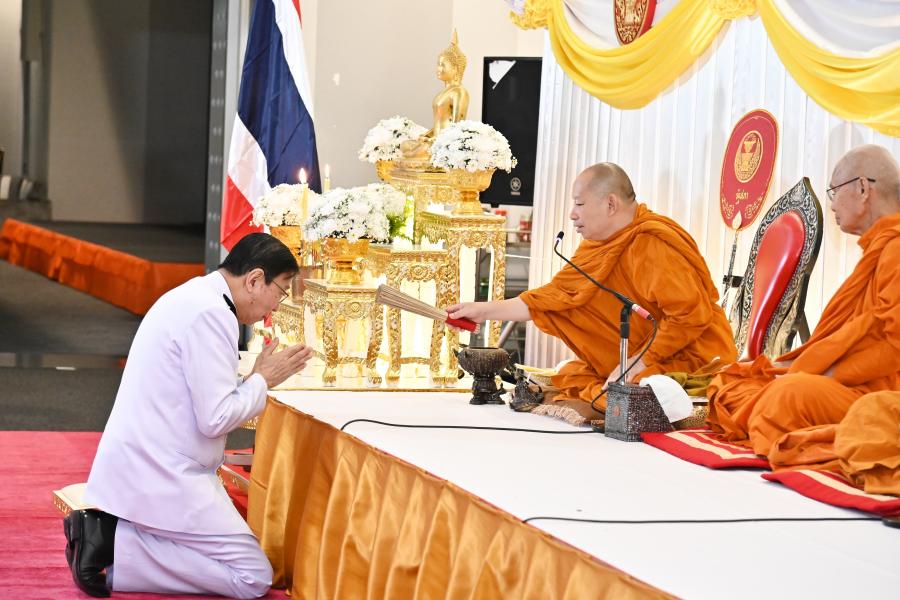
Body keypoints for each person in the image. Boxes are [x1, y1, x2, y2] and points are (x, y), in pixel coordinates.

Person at [64, 233, 313, 598]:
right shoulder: (212, 314)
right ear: (255, 280)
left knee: (220, 560)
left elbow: (201, 393)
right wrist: (262, 380)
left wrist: (253, 380)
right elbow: (215, 419)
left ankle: (106, 538)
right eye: (281, 291)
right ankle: (110, 541)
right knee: (253, 576)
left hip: (150, 459)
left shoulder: (198, 296)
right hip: (166, 470)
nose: (276, 306)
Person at [448, 162, 736, 413]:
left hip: (692, 359)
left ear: (610, 204)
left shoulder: (652, 243)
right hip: (641, 359)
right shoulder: (598, 245)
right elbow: (554, 298)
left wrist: (636, 362)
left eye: (580, 204)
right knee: (571, 377)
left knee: (621, 395)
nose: (572, 214)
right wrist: (483, 311)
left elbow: (690, 317)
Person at [706, 144, 900, 461]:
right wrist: (797, 367)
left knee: (786, 396)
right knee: (735, 379)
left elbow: (894, 350)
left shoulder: (895, 249)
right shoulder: (880, 249)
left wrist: (823, 374)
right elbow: (849, 338)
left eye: (834, 190)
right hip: (844, 382)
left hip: (877, 394)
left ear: (863, 188)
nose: (832, 204)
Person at [399, 30, 470, 160]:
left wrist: (434, 140)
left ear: (455, 68)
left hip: (445, 144)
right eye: (438, 65)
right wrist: (427, 135)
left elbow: (457, 126)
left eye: (442, 65)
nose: (438, 69)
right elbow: (439, 123)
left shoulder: (459, 92)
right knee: (405, 145)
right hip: (434, 140)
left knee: (413, 153)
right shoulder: (443, 92)